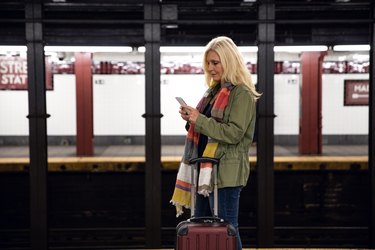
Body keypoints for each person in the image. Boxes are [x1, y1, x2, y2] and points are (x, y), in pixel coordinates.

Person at [170, 36, 261, 250]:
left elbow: (233, 134)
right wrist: (191, 119)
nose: (210, 68)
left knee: (227, 229)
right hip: (204, 172)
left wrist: (199, 119)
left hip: (224, 174)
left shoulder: (242, 94)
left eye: (215, 63)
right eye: (208, 63)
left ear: (229, 62)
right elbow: (205, 130)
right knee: (200, 227)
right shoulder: (213, 92)